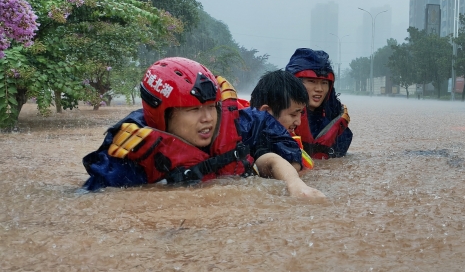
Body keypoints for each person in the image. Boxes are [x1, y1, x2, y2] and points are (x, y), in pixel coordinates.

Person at [82, 57, 324, 198]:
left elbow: (279, 140)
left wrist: (293, 181)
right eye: (193, 110)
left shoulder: (237, 122)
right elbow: (96, 200)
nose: (208, 118)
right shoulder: (129, 156)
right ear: (161, 113)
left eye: (212, 107)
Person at [285, 48, 353, 159]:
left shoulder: (339, 126)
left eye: (324, 82)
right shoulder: (273, 119)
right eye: (311, 81)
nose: (319, 89)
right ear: (294, 84)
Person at [248, 69, 314, 170]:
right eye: (293, 114)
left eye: (301, 113)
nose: (299, 122)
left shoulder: (286, 140)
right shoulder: (254, 148)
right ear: (265, 112)